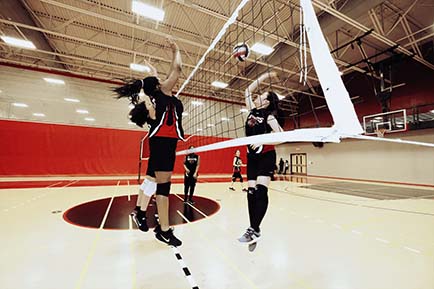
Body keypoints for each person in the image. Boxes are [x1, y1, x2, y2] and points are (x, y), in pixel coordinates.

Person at [114, 37, 184, 247]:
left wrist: (152, 70)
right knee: (163, 189)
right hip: (164, 145)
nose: (164, 80)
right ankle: (163, 231)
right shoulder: (163, 94)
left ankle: (139, 211)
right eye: (161, 80)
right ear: (159, 86)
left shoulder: (155, 97)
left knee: (150, 181)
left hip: (160, 143)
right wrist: (176, 49)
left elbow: (153, 82)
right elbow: (178, 68)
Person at [238, 71, 284, 251]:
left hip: (266, 155)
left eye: (261, 96)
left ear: (266, 102)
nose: (257, 97)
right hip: (252, 157)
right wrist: (266, 75)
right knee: (250, 193)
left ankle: (254, 229)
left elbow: (282, 137)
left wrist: (262, 140)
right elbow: (247, 91)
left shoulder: (269, 117)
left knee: (260, 191)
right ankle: (253, 230)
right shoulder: (251, 111)